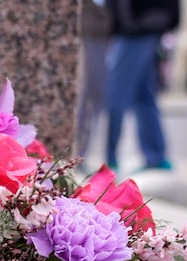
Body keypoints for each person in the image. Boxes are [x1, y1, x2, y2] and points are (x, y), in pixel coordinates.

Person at [104, 0, 180, 172]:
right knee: (144, 96)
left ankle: (110, 159)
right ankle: (155, 156)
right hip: (146, 26)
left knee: (118, 94)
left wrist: (123, 23)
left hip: (135, 27)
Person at [74, 0, 112, 170]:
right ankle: (78, 153)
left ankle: (81, 153)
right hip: (90, 31)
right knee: (87, 98)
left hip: (102, 32)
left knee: (94, 99)